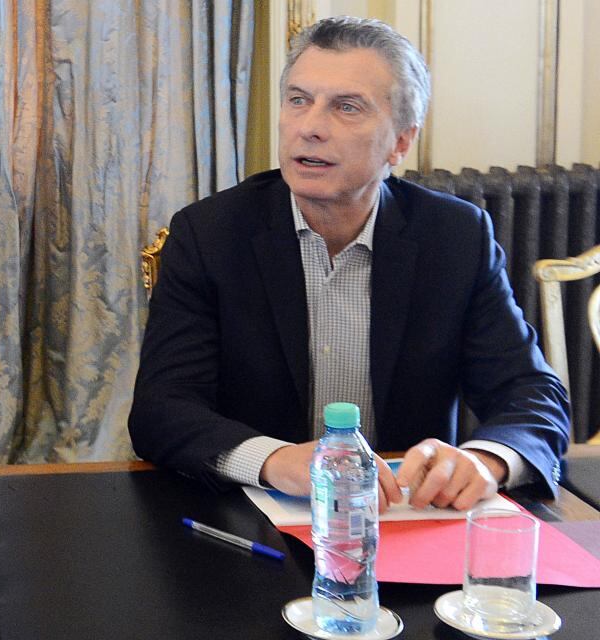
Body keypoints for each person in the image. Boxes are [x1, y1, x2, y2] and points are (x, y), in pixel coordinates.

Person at [128, 17, 569, 511]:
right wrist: (275, 460)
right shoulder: (210, 234)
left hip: (404, 516)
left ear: (401, 141)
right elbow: (161, 410)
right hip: (250, 520)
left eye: (347, 107)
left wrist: (488, 460)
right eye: (298, 100)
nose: (310, 127)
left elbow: (530, 392)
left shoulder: (455, 237)